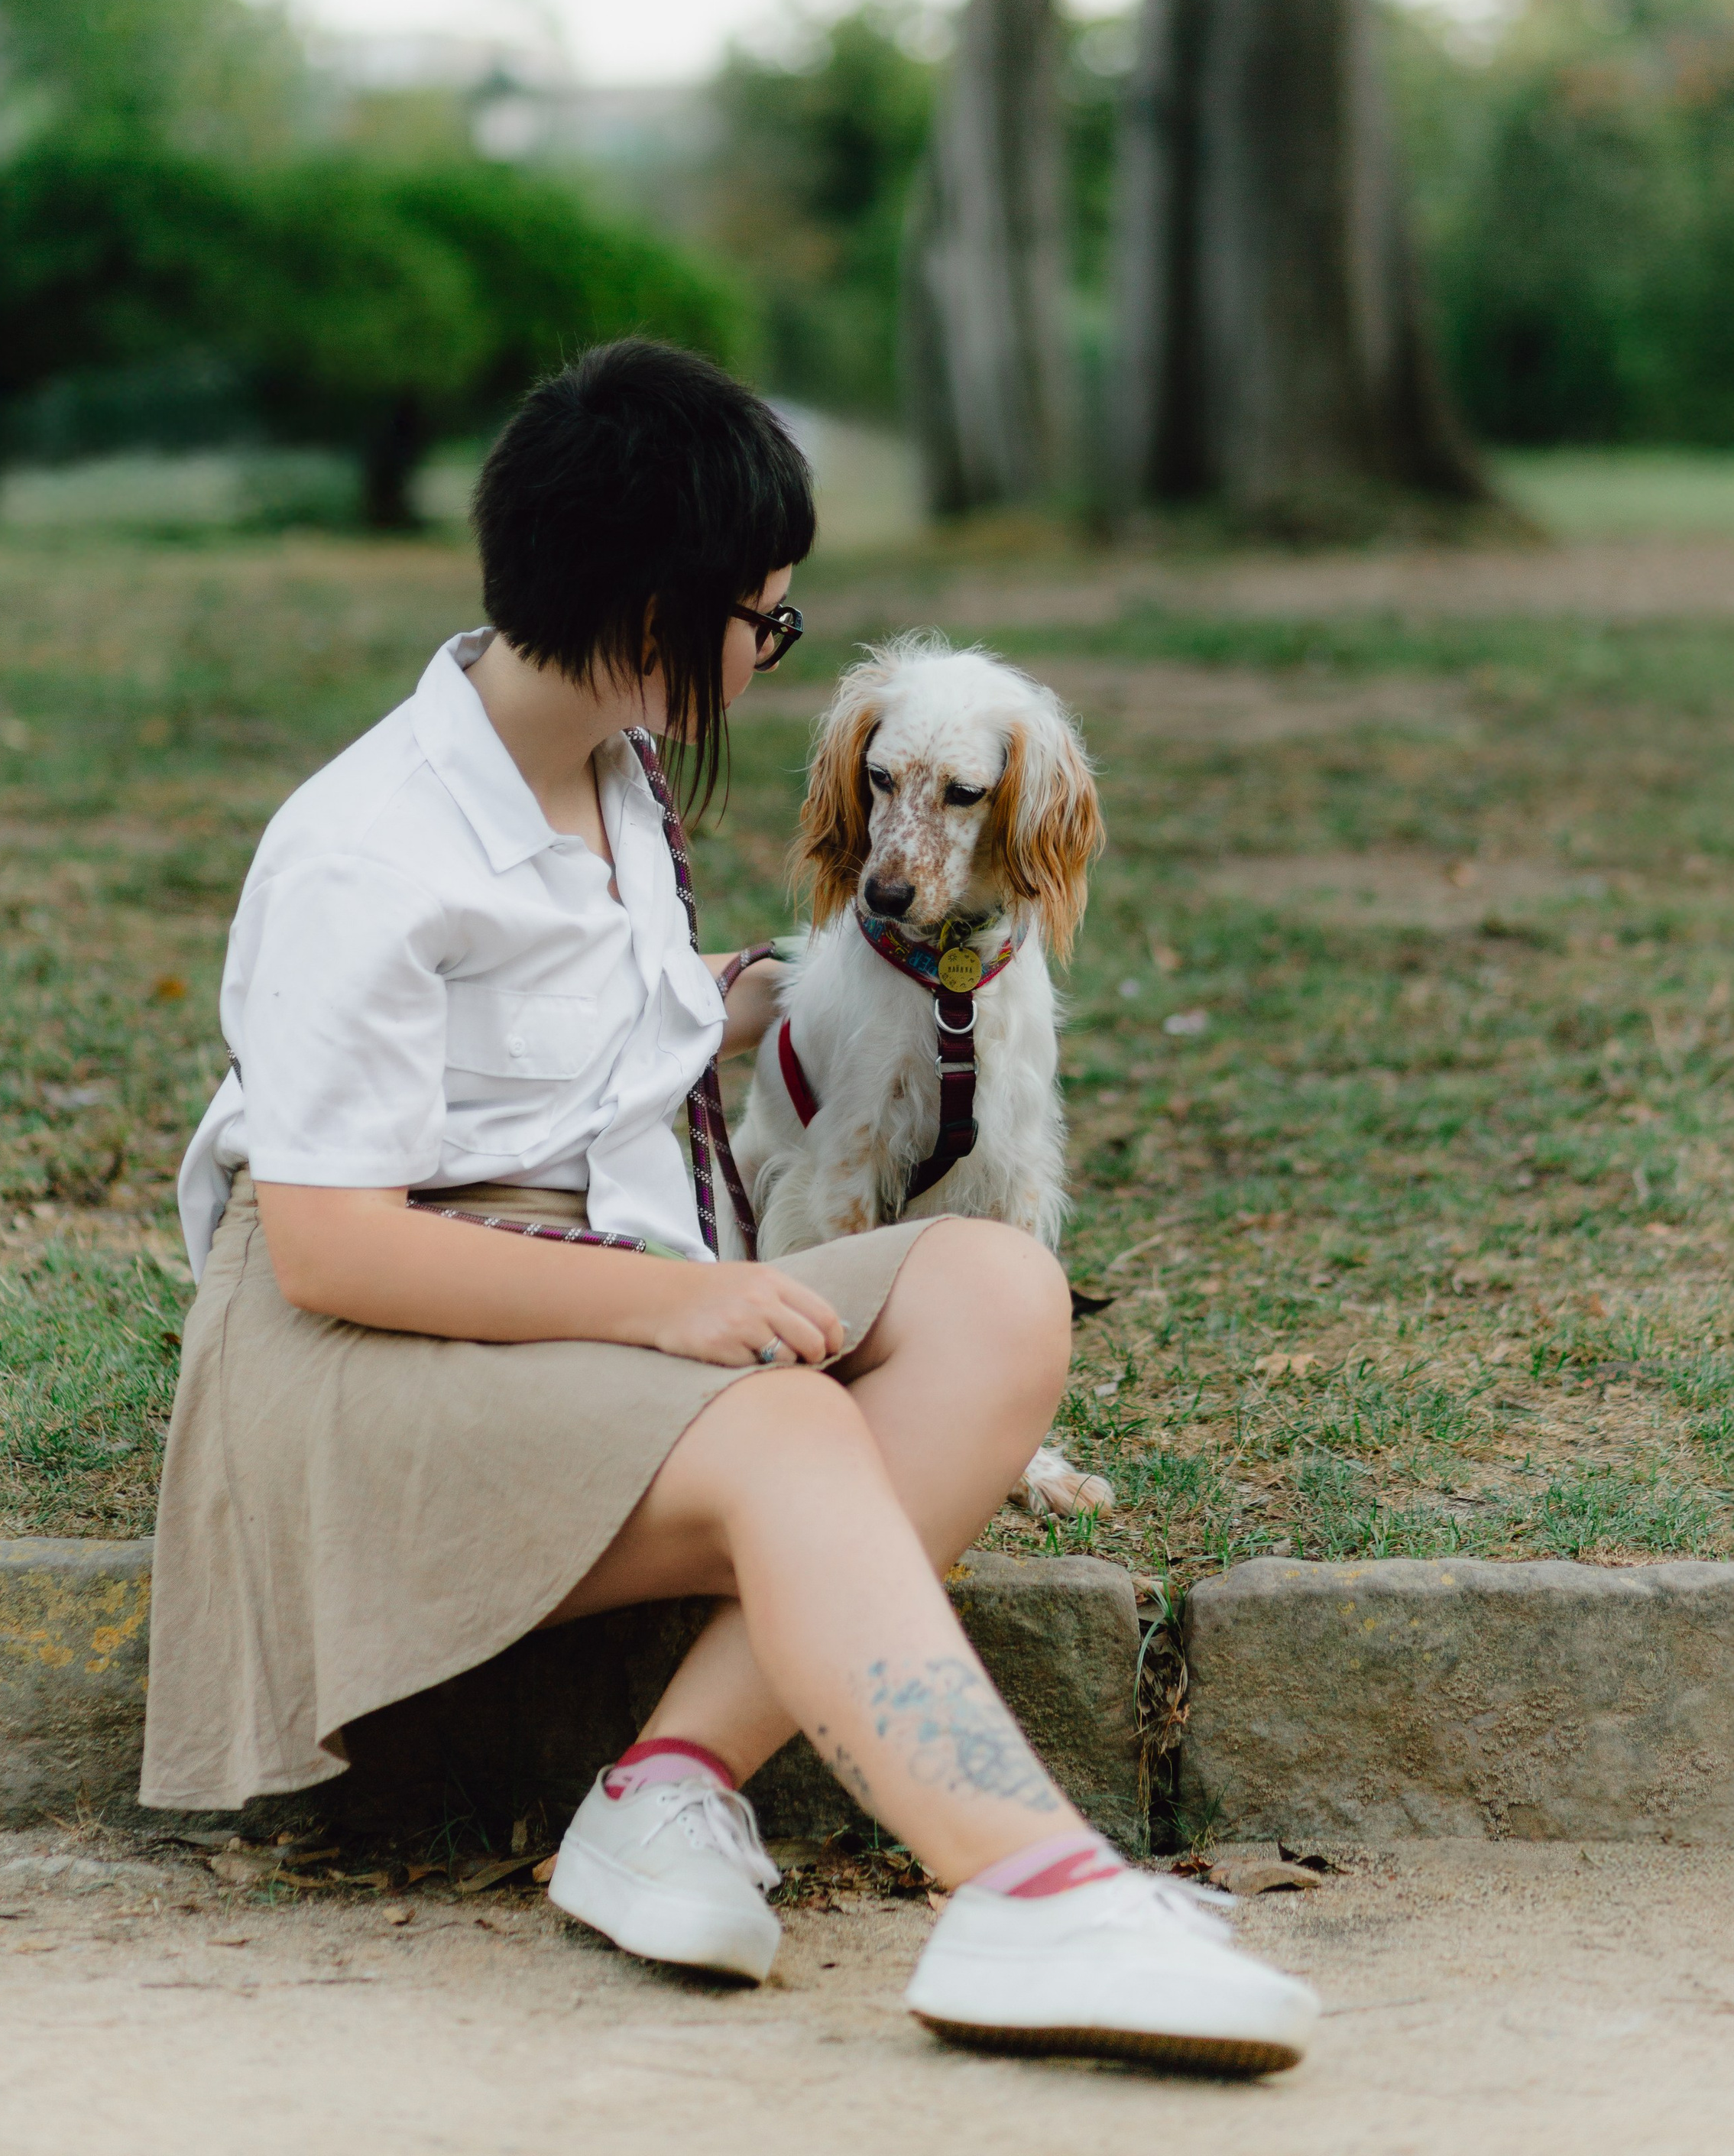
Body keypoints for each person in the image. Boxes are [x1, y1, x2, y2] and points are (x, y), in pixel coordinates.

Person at [141, 339, 1317, 2077]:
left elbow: (541, 1036)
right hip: (370, 1356)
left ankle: (667, 1786)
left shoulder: (604, 770)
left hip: (570, 1304)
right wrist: (667, 1308)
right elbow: (329, 1238)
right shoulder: (364, 844)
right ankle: (1030, 1886)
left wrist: (726, 998)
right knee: (783, 1429)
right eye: (761, 621)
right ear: (649, 607)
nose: (774, 656)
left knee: (995, 1291)